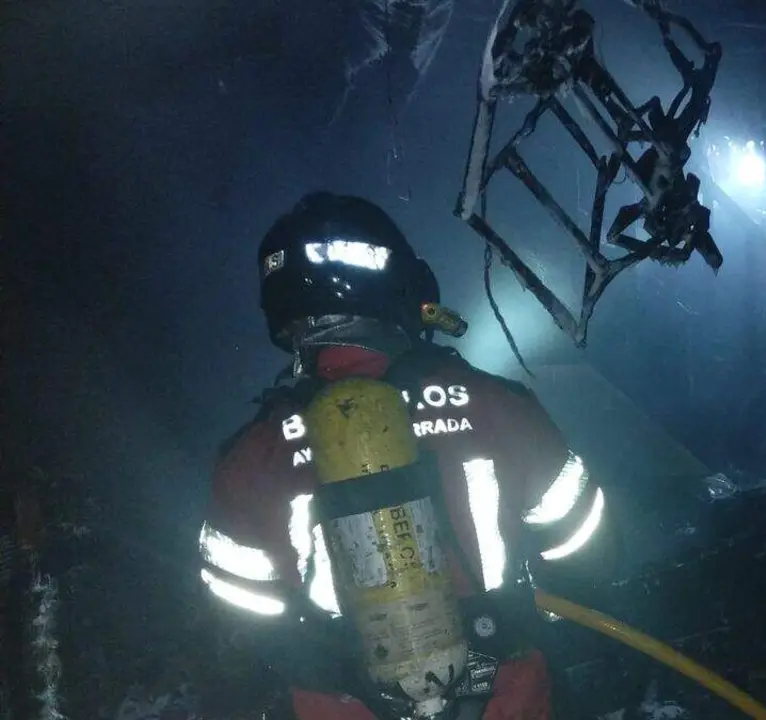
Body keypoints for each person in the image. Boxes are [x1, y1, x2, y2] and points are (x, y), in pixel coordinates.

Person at [198, 193, 617, 720]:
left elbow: (242, 621)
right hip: (504, 701)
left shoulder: (256, 455)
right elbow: (586, 551)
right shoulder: (491, 405)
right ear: (402, 286)